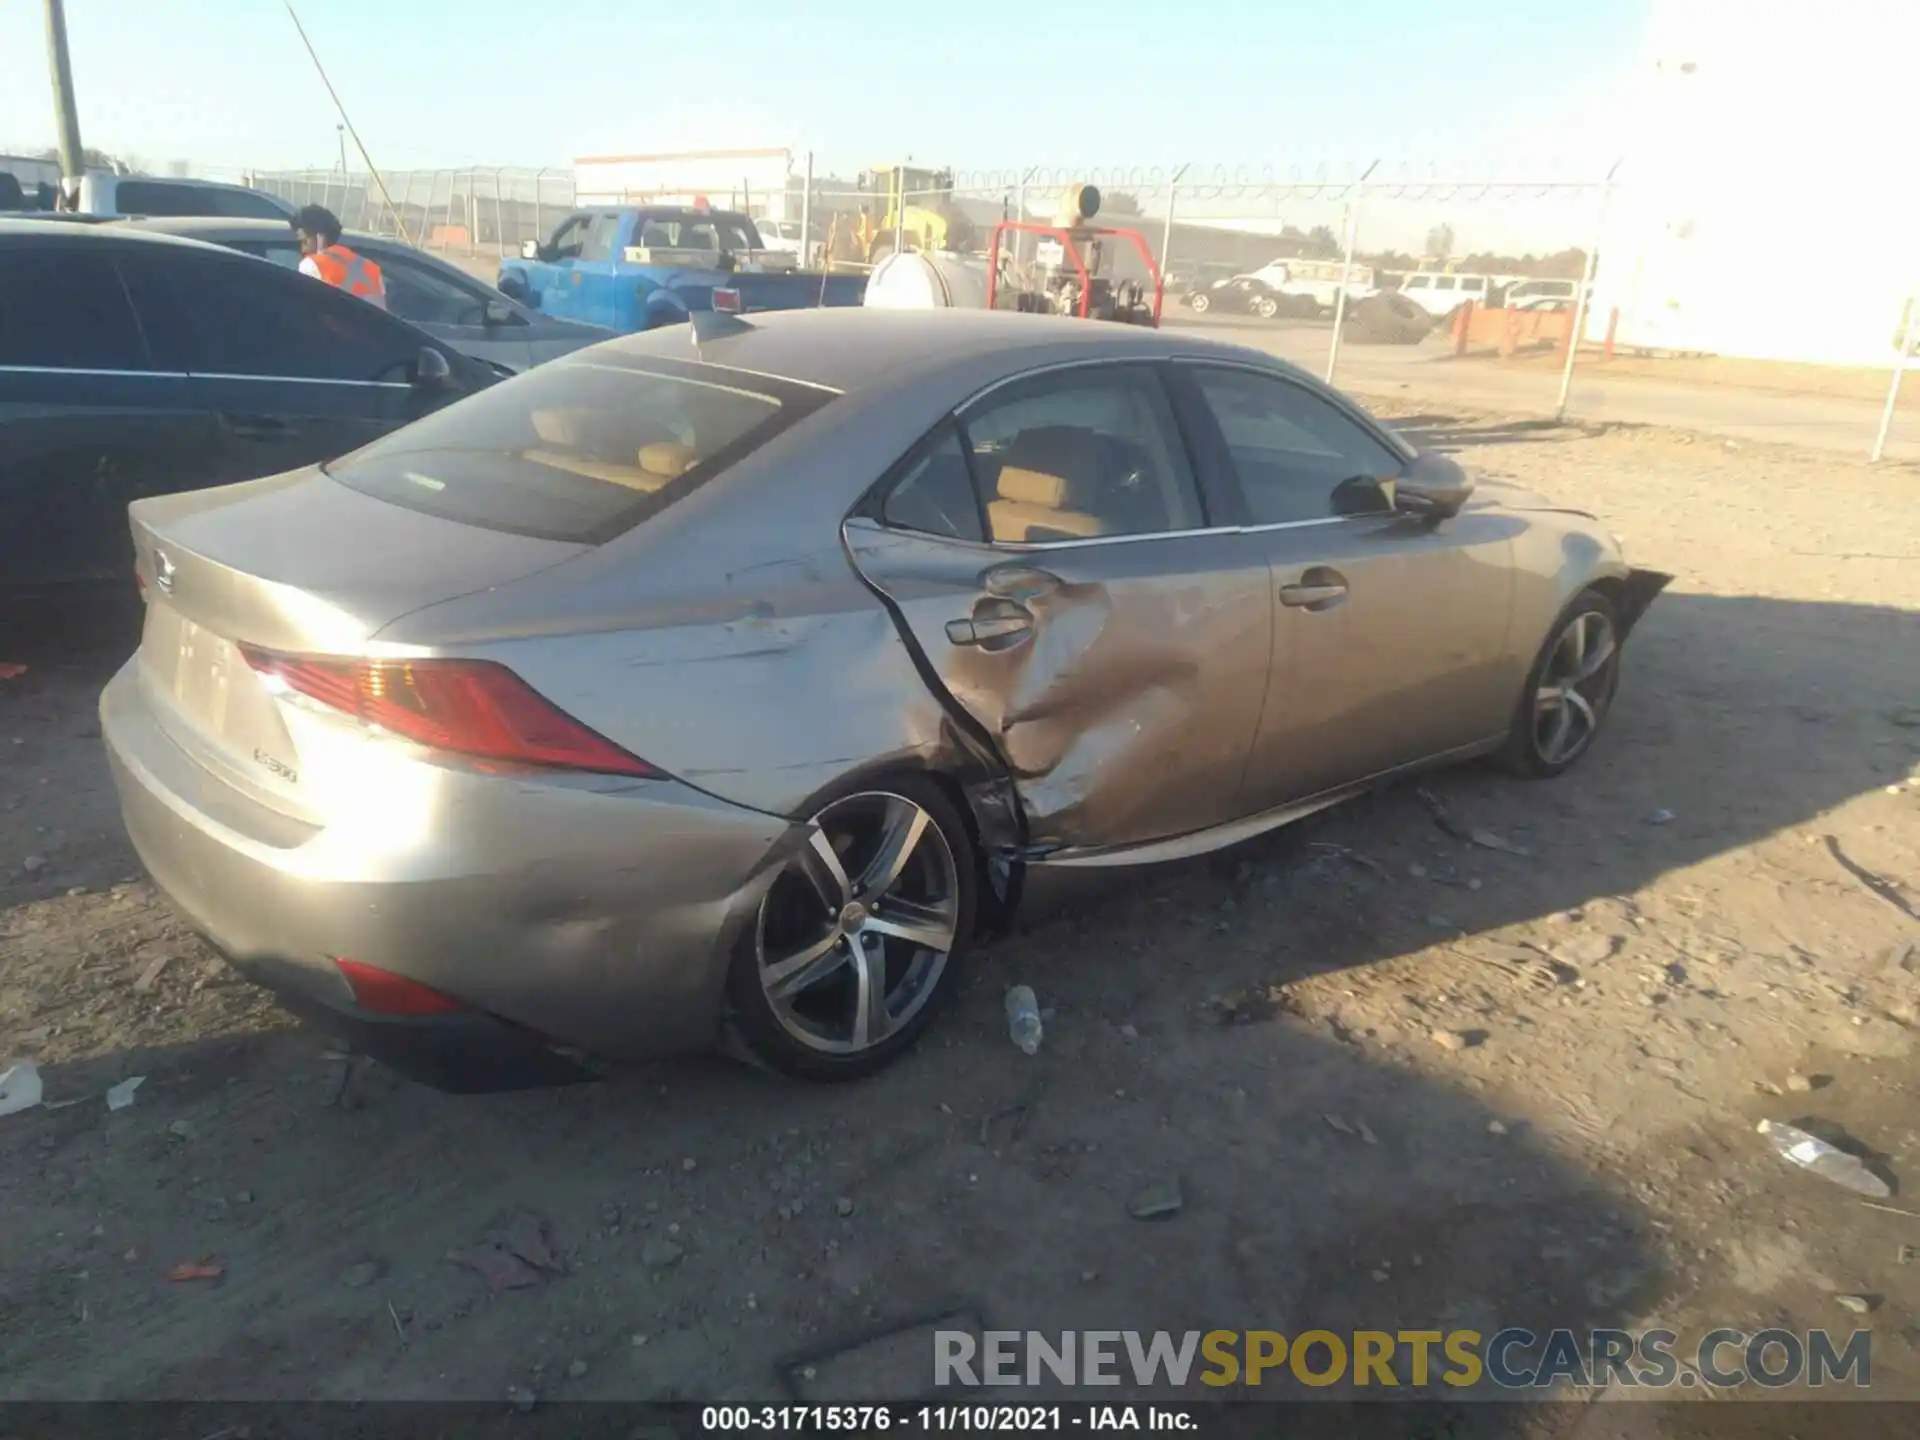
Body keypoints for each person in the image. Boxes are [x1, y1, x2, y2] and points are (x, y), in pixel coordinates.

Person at [291, 204, 387, 309]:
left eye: (305, 241)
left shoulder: (312, 265)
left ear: (320, 238)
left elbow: (304, 309)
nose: (302, 249)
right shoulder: (371, 268)